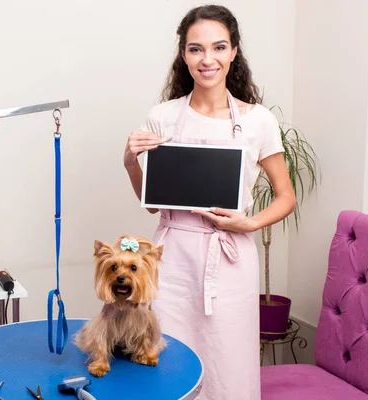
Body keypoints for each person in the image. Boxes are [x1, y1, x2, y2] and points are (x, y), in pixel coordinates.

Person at [123, 5, 296, 400]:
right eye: (196, 49)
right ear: (183, 55)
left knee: (228, 360)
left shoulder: (257, 121)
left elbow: (286, 196)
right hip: (172, 257)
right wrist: (130, 160)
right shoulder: (163, 117)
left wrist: (248, 224)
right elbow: (153, 204)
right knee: (167, 356)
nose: (208, 59)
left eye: (218, 47)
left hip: (230, 254)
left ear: (234, 51)